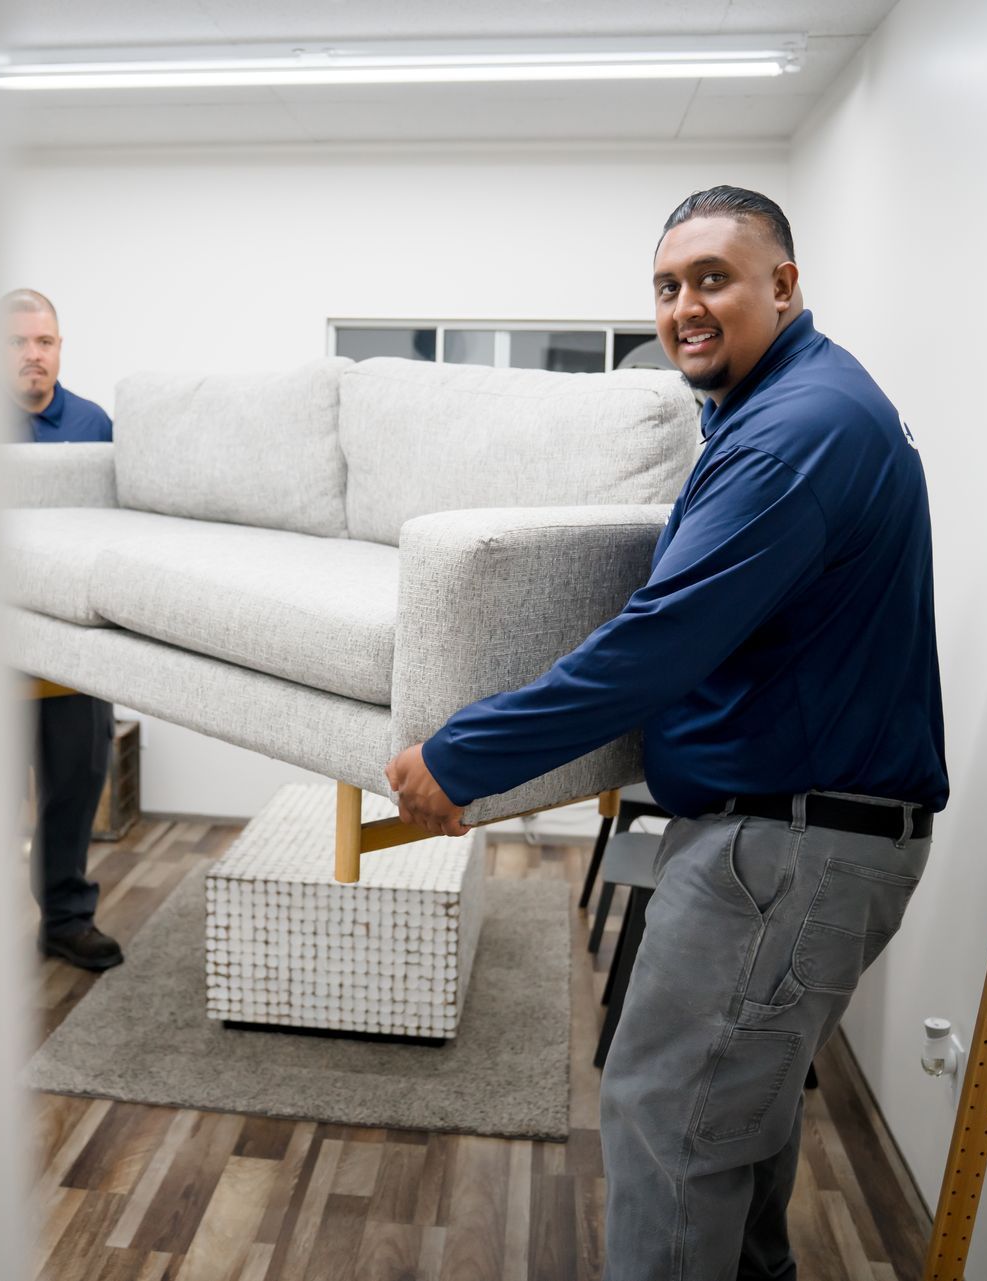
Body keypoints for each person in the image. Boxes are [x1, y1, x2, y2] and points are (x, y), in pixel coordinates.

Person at [384, 188, 947, 1281]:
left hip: (786, 856)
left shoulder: (795, 437)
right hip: (802, 842)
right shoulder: (784, 409)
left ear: (784, 285)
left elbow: (656, 644)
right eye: (667, 286)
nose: (685, 306)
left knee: (670, 1132)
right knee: (735, 1142)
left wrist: (463, 759)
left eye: (714, 280)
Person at [4, 288, 122, 971]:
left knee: (75, 783)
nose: (31, 355)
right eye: (17, 342)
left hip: (74, 650)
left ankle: (67, 920)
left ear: (59, 348)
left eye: (43, 342)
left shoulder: (93, 423)